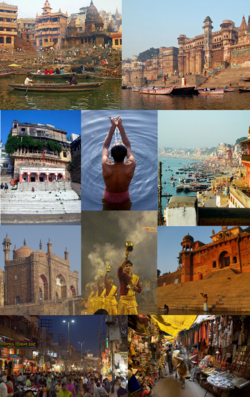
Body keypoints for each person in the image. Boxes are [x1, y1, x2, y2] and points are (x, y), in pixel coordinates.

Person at [102, 116, 136, 204]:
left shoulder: (105, 164)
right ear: (126, 155)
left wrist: (113, 126)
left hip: (108, 196)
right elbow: (128, 145)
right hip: (124, 196)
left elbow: (105, 146)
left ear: (111, 155)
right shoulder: (131, 164)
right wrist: (120, 126)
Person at [117, 249, 141, 315]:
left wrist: (134, 287)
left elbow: (139, 290)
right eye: (126, 266)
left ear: (132, 267)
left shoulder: (136, 277)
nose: (128, 267)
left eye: (129, 266)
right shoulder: (122, 276)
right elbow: (119, 269)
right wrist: (125, 258)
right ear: (124, 268)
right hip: (124, 301)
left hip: (132, 301)